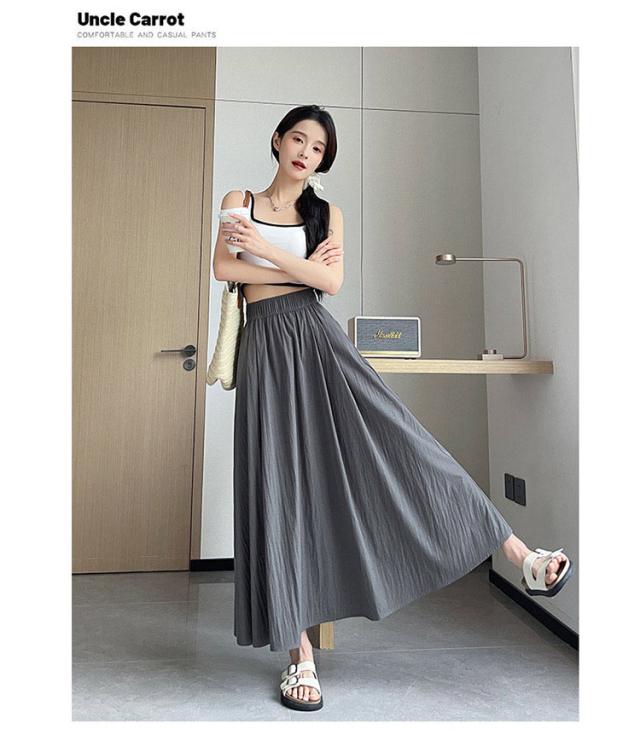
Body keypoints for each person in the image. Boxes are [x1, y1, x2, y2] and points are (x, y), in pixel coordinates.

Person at [211, 104, 573, 712]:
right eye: (298, 139)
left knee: (405, 444)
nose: (305, 153)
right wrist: (300, 267)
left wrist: (267, 253)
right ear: (277, 140)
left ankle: (521, 556)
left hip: (318, 342)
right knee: (279, 488)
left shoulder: (326, 214)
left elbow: (330, 286)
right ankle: (300, 656)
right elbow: (225, 267)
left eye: (318, 148)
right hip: (266, 350)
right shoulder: (238, 200)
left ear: (323, 160)